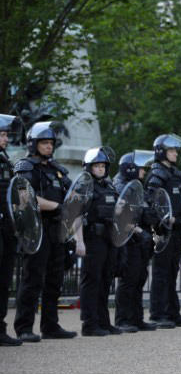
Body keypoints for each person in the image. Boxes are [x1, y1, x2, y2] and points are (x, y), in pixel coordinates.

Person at [13, 121, 77, 342]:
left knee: (54, 280)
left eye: (51, 143)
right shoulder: (25, 167)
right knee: (32, 279)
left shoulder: (57, 170)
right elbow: (24, 198)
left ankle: (50, 326)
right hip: (36, 230)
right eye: (44, 143)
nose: (49, 147)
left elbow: (73, 196)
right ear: (33, 144)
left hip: (57, 230)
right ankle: (24, 327)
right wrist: (56, 206)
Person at [146, 134, 181, 328]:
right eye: (172, 150)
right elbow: (153, 203)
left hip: (176, 230)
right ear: (161, 152)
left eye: (176, 150)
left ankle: (172, 312)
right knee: (160, 272)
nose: (176, 153)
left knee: (172, 272)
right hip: (162, 231)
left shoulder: (176, 174)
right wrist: (165, 219)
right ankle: (157, 314)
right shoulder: (157, 174)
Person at [113, 150, 159, 332]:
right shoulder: (121, 186)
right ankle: (123, 319)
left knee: (139, 279)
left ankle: (136, 318)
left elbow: (146, 212)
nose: (144, 171)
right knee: (128, 280)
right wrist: (138, 231)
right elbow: (121, 217)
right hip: (129, 240)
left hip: (142, 241)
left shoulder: (138, 187)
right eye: (141, 168)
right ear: (130, 168)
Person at [76, 147, 121, 336]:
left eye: (103, 165)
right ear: (89, 168)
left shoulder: (109, 187)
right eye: (97, 166)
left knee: (105, 280)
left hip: (109, 238)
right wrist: (79, 241)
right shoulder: (83, 187)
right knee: (91, 280)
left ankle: (104, 321)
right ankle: (89, 324)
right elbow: (75, 215)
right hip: (92, 239)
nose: (101, 169)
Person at [0, 114, 22, 346]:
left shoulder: (6, 162)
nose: (6, 139)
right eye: (3, 134)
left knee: (4, 281)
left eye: (6, 134)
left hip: (7, 228)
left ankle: (0, 328)